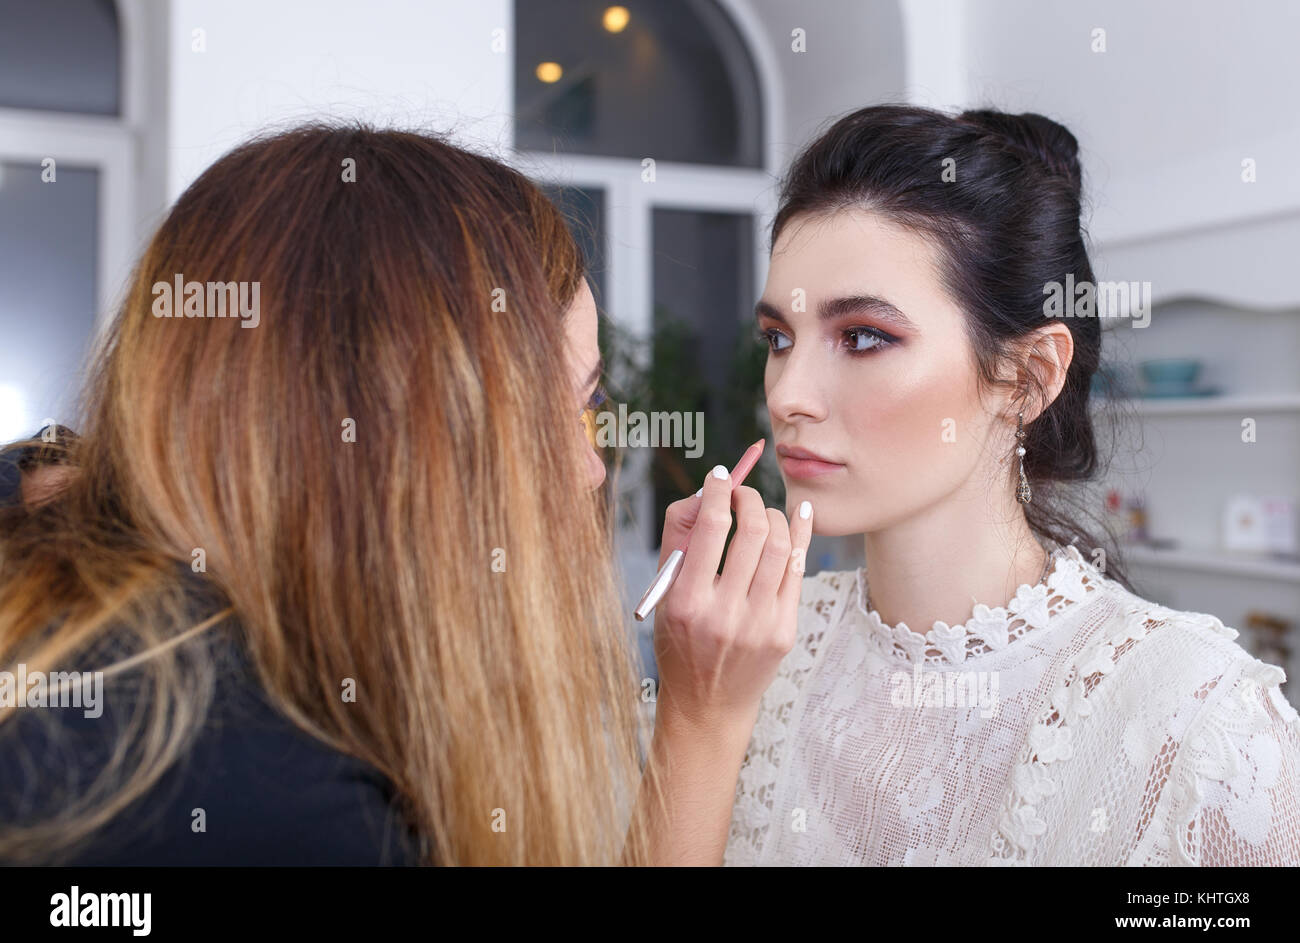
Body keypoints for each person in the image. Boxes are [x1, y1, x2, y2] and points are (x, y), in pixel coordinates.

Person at [0, 124, 708, 865]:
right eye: (537, 415)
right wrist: (702, 723)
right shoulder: (289, 808)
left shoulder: (69, 574)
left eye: (589, 408)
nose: (588, 470)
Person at [711, 104, 1299, 865]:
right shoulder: (752, 652)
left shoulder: (1201, 727)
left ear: (1027, 376)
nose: (788, 392)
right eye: (778, 339)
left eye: (862, 337)